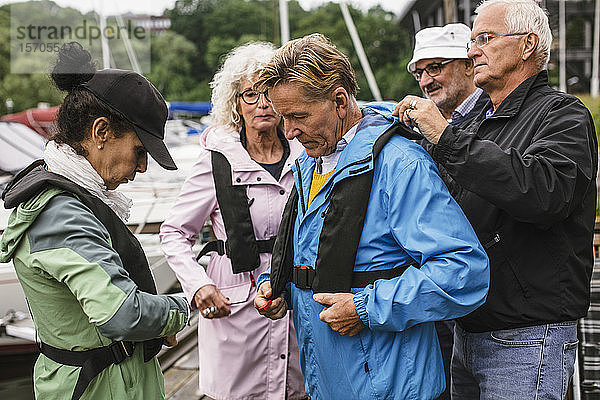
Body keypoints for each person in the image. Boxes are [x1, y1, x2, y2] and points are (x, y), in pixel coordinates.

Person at [253, 33, 489, 400]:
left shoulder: (399, 165)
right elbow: (315, 251)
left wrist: (365, 309)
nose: (289, 132)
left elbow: (464, 271)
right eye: (283, 118)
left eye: (298, 116)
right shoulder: (308, 162)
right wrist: (278, 282)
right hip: (327, 379)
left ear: (340, 101)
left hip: (391, 385)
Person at [395, 0, 598, 398]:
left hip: (527, 334)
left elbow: (545, 194)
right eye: (472, 41)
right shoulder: (474, 121)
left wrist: (446, 137)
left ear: (527, 46)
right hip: (468, 328)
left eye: (484, 38)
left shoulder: (563, 114)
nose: (473, 51)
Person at [0, 42, 189, 400]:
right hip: (97, 387)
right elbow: (121, 314)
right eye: (140, 150)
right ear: (101, 132)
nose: (143, 167)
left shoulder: (76, 196)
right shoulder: (62, 213)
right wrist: (181, 308)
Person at [159, 42, 306, 400]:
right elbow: (175, 232)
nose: (262, 103)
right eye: (250, 94)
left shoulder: (306, 153)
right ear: (236, 103)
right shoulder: (217, 159)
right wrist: (198, 285)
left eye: (269, 90)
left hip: (295, 296)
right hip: (235, 302)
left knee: (298, 390)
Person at [408, 22, 491, 400]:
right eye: (419, 71)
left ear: (469, 66)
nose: (426, 80)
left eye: (436, 67)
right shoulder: (424, 127)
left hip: (490, 302)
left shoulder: (492, 119)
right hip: (440, 296)